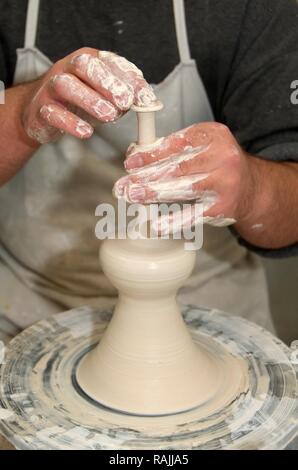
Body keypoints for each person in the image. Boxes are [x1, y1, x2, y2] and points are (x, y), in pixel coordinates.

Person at [0, 0, 297, 336]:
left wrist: (252, 190)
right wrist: (21, 112)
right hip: (29, 304)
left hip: (211, 305)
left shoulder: (252, 9)